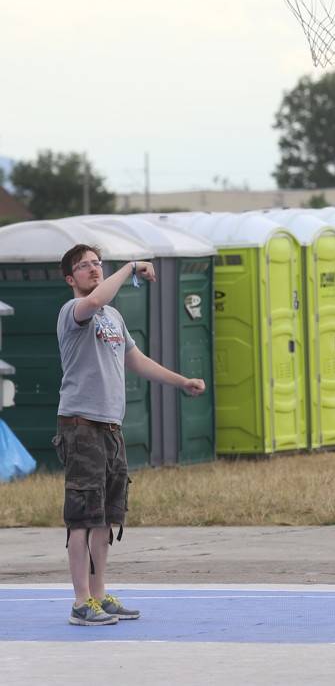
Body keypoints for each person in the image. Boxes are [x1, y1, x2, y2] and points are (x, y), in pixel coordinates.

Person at [53, 243, 207, 626]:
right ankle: (79, 601)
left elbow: (136, 361)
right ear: (71, 279)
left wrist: (180, 381)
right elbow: (94, 300)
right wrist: (131, 267)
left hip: (110, 427)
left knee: (107, 516)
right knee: (82, 517)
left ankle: (99, 594)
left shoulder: (114, 318)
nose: (94, 269)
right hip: (81, 426)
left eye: (96, 263)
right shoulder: (73, 311)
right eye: (84, 266)